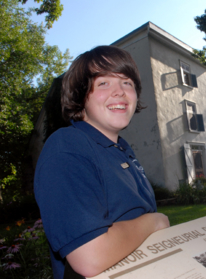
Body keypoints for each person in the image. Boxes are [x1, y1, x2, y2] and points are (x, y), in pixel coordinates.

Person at [34, 45, 169, 279]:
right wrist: (155, 222)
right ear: (80, 95)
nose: (120, 92)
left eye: (127, 82)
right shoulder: (67, 146)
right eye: (103, 83)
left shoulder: (123, 151)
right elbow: (90, 257)